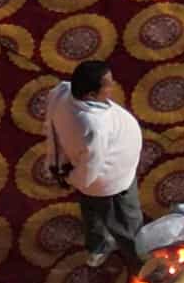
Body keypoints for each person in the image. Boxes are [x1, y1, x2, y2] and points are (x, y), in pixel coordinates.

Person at [43, 56, 144, 268]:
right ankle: (140, 264)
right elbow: (90, 170)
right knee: (125, 224)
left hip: (87, 176)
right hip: (110, 185)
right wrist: (75, 179)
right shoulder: (94, 127)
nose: (113, 87)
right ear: (91, 94)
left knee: (91, 212)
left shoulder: (62, 92)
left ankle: (97, 246)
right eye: (108, 85)